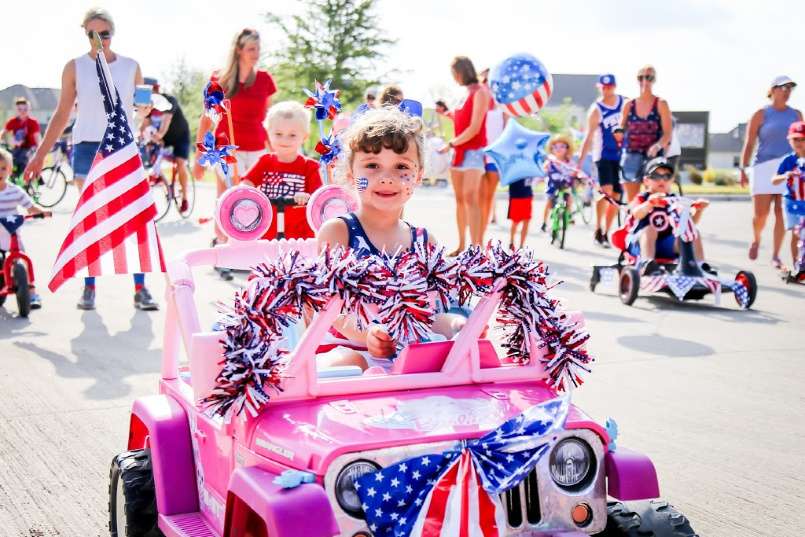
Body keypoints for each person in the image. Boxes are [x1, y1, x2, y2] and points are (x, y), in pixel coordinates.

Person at [22, 8, 157, 311]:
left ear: (113, 33)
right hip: (86, 145)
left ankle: (140, 288)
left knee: (134, 218)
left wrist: (144, 114)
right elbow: (61, 113)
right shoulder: (75, 67)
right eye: (92, 35)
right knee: (92, 219)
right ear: (85, 34)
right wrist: (39, 156)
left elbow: (140, 109)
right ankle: (89, 290)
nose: (99, 41)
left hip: (122, 146)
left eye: (104, 34)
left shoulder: (131, 66)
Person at [316, 108, 468, 371]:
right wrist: (368, 337)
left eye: (401, 167)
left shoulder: (424, 242)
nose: (386, 177)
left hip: (408, 356)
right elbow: (331, 309)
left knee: (453, 362)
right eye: (372, 165)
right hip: (347, 350)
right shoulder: (338, 232)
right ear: (352, 175)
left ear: (419, 176)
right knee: (352, 365)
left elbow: (427, 315)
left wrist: (455, 325)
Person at [194, 28, 277, 249]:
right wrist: (198, 157)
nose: (256, 53)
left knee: (256, 198)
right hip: (226, 148)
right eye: (251, 48)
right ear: (239, 50)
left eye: (258, 48)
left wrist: (276, 151)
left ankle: (249, 246)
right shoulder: (219, 79)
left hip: (258, 147)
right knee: (227, 196)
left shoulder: (264, 79)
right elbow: (206, 119)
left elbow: (268, 119)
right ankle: (222, 244)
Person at [739, 75, 802, 268]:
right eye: (783, 87)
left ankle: (775, 255)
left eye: (790, 88)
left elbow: (802, 141)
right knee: (761, 214)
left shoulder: (796, 114)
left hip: (788, 168)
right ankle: (756, 239)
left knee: (781, 212)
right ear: (772, 90)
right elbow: (749, 143)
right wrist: (743, 168)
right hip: (762, 167)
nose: (787, 91)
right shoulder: (761, 113)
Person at [241, 101, 322, 239]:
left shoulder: (310, 167)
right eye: (278, 134)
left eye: (292, 135)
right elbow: (247, 183)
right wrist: (247, 192)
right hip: (267, 229)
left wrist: (306, 196)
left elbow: (318, 196)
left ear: (304, 137)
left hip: (298, 233)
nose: (285, 140)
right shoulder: (265, 161)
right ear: (269, 133)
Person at [441, 56, 491, 254]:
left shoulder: (480, 92)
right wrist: (446, 113)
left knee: (471, 198)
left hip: (473, 151)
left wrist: (452, 143)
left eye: (454, 74)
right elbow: (460, 119)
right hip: (459, 151)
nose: (454, 78)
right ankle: (461, 245)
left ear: (461, 72)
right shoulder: (463, 94)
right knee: (460, 200)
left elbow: (475, 126)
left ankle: (477, 247)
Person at [628, 158, 710, 276]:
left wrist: (698, 210)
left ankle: (700, 265)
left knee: (692, 232)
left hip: (668, 246)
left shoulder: (675, 200)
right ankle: (648, 264)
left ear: (672, 180)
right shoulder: (642, 198)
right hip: (641, 245)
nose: (662, 180)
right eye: (656, 176)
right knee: (650, 229)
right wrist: (649, 204)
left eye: (667, 176)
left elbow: (689, 223)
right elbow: (636, 213)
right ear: (646, 180)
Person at [0, 148, 50, 308]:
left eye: (3, 168)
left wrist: (42, 212)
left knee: (23, 259)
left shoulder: (14, 191)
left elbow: (30, 206)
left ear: (9, 169)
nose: (0, 172)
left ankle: (32, 293)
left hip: (12, 234)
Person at [578, 74, 624, 248]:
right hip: (603, 155)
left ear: (615, 86)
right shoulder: (596, 108)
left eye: (609, 86)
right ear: (599, 88)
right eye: (603, 87)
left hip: (622, 156)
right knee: (607, 192)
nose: (606, 90)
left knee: (617, 197)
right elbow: (588, 137)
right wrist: (580, 163)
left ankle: (606, 231)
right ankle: (598, 227)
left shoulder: (624, 104)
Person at [618, 65, 673, 203]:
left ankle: (658, 220)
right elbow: (621, 127)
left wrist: (657, 146)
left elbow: (667, 134)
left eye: (649, 77)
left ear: (654, 80)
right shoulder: (629, 104)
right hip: (632, 153)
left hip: (653, 155)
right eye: (641, 77)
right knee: (633, 198)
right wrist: (618, 132)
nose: (644, 81)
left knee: (657, 194)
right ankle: (633, 222)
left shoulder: (661, 103)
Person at [140, 77, 191, 213]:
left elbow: (164, 126)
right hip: (165, 139)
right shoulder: (147, 105)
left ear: (156, 89)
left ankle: (185, 197)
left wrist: (158, 136)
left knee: (180, 163)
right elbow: (144, 125)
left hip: (180, 137)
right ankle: (161, 181)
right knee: (151, 154)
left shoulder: (169, 100)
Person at [771, 120, 805, 272]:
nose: (799, 143)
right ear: (790, 141)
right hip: (792, 203)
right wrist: (785, 175)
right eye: (795, 139)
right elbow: (774, 180)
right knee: (796, 234)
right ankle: (797, 266)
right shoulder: (788, 160)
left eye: (803, 139)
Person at [478, 68, 506, 241]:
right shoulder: (477, 103)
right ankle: (476, 237)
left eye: (491, 81)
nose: (488, 84)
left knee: (488, 198)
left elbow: (508, 131)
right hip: (476, 155)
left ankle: (481, 237)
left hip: (494, 157)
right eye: (485, 81)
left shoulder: (503, 106)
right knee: (477, 198)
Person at [541, 134, 576, 232]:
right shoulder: (550, 161)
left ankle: (568, 215)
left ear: (567, 149)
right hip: (552, 185)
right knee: (549, 201)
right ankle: (544, 222)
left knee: (569, 198)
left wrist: (576, 176)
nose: (558, 149)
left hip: (564, 185)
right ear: (552, 149)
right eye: (555, 147)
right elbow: (543, 170)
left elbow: (575, 171)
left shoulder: (569, 162)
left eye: (562, 146)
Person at [3, 97, 41, 177]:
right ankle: (12, 176)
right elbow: (4, 132)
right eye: (20, 109)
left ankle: (27, 177)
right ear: (16, 110)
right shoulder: (13, 121)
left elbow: (37, 137)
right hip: (17, 148)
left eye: (25, 109)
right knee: (8, 158)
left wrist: (40, 149)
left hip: (30, 147)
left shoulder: (32, 122)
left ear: (29, 109)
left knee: (23, 159)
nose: (22, 112)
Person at [507, 176, 533, 250]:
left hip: (527, 195)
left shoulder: (529, 166)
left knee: (526, 221)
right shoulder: (513, 166)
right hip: (516, 196)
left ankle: (521, 245)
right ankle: (511, 242)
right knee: (515, 221)